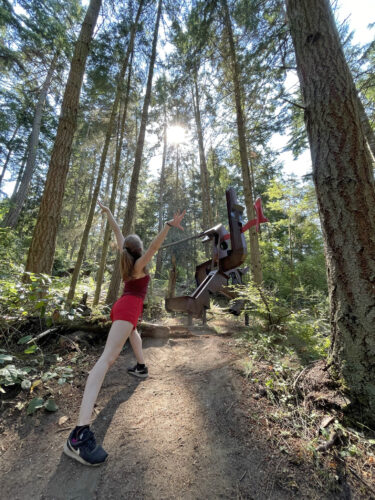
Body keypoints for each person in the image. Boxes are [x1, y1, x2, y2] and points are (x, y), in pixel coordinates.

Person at [63, 202, 186, 466]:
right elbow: (154, 247)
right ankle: (78, 435)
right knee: (106, 360)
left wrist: (109, 214)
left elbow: (120, 234)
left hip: (127, 306)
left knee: (133, 335)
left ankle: (141, 366)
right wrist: (167, 226)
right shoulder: (139, 264)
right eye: (141, 244)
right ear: (138, 249)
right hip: (127, 308)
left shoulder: (126, 256)